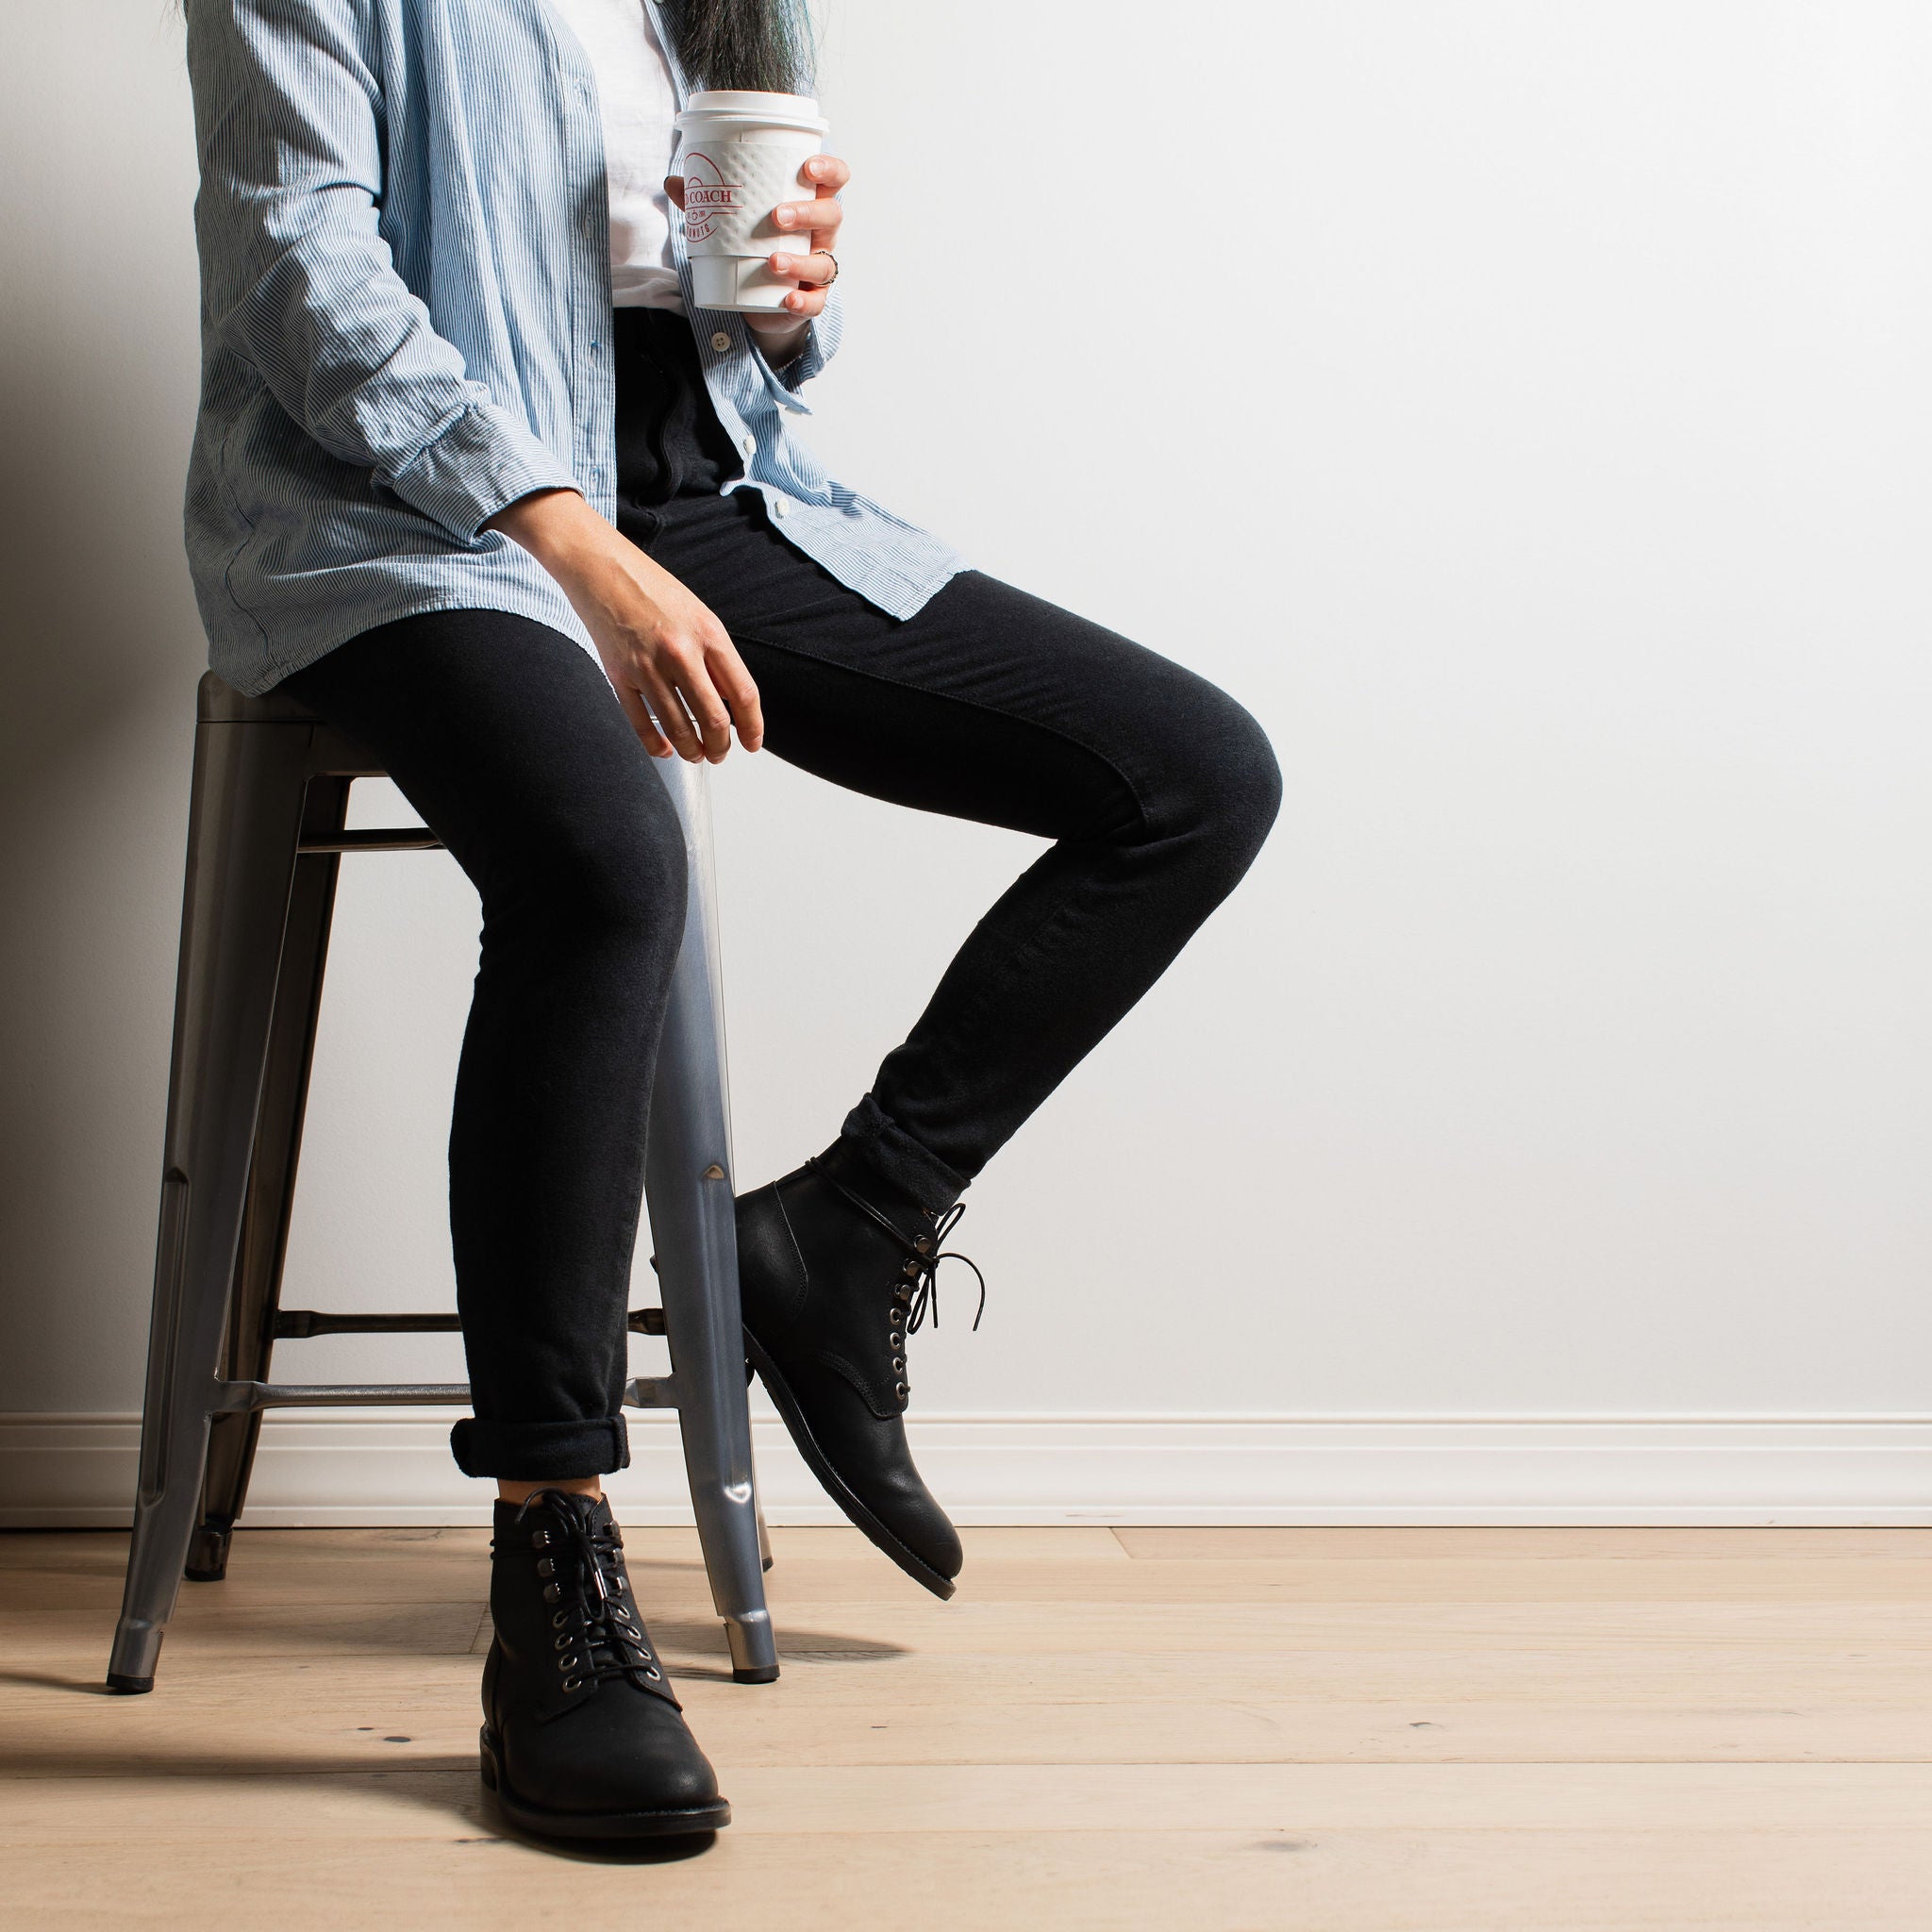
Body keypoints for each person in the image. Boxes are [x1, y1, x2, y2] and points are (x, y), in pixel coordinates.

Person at [182, 0, 1281, 1842]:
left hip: (696, 496)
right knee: (608, 861)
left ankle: (844, 1232)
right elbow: (303, 273)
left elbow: (737, 303)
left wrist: (785, 294)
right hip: (406, 524)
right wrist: (565, 537)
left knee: (1192, 776)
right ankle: (553, 1562)